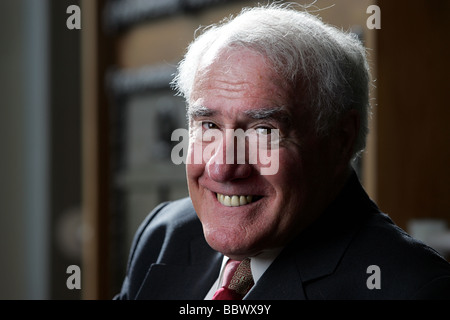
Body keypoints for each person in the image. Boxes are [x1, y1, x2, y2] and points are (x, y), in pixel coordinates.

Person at [115, 4, 450, 300]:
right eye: (209, 126)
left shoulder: (413, 289)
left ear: (340, 140)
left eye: (264, 131)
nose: (222, 168)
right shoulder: (164, 234)